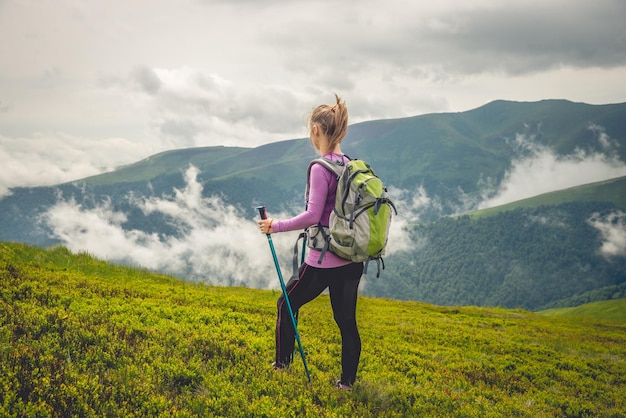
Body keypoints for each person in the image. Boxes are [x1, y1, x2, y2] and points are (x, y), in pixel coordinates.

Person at [258, 94, 364, 391]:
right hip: (353, 258)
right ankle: (347, 383)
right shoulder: (350, 165)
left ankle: (282, 365)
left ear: (316, 131)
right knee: (346, 321)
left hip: (324, 261)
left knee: (286, 303)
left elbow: (313, 215)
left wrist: (275, 226)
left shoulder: (320, 167)